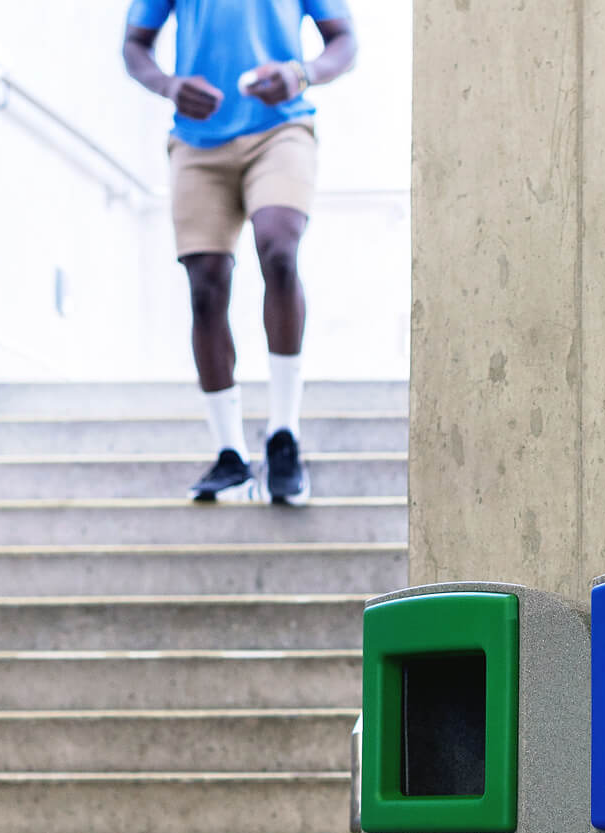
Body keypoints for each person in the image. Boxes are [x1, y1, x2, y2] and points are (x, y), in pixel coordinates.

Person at [123, 0, 358, 505]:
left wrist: (302, 73)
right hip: (197, 145)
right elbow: (134, 44)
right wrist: (168, 86)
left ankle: (283, 436)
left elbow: (344, 39)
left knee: (277, 247)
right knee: (205, 285)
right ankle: (230, 455)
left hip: (280, 131)